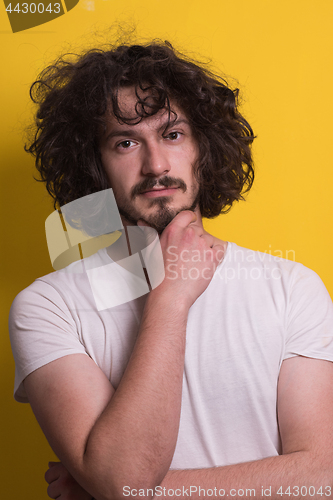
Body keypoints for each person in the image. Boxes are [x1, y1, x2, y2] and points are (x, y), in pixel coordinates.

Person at [9, 41, 333, 500]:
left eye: (173, 135)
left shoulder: (292, 288)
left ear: (204, 147)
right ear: (95, 165)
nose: (155, 164)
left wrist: (126, 489)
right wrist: (171, 294)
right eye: (125, 142)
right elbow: (123, 477)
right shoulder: (48, 307)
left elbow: (322, 476)